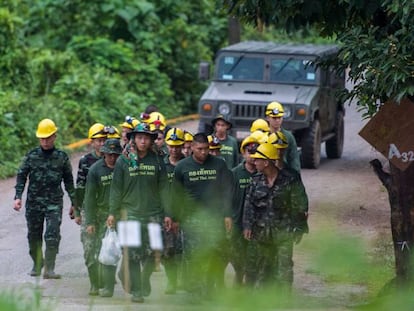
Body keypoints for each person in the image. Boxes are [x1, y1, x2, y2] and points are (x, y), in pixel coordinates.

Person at [107, 122, 168, 303]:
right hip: (129, 213)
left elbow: (164, 187)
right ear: (133, 139)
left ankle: (143, 278)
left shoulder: (157, 159)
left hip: (153, 212)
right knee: (132, 252)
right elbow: (116, 189)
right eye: (139, 137)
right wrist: (112, 212)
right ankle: (138, 290)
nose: (143, 141)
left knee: (154, 251)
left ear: (151, 140)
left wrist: (168, 213)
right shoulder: (124, 160)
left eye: (146, 138)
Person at [167, 133, 233, 300]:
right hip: (191, 219)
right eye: (199, 149)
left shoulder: (219, 164)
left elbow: (227, 191)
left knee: (213, 254)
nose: (203, 152)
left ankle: (209, 290)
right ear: (192, 148)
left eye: (206, 149)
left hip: (214, 217)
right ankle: (195, 291)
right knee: (193, 255)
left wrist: (227, 215)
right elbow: (175, 195)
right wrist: (173, 218)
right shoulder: (182, 167)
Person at [13, 118, 75, 279]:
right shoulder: (31, 156)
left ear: (54, 136)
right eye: (42, 138)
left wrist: (75, 203)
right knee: (34, 235)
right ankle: (37, 264)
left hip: (54, 203)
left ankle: (50, 268)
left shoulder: (61, 157)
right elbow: (21, 176)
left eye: (48, 137)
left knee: (52, 234)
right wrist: (18, 196)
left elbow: (69, 181)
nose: (45, 141)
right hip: (34, 202)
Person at [243, 143, 308, 291]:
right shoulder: (255, 181)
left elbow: (300, 205)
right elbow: (249, 204)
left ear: (266, 162)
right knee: (263, 269)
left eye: (258, 159)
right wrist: (247, 226)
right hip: (261, 234)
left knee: (284, 269)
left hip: (283, 233)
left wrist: (299, 228)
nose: (254, 161)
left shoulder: (289, 180)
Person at [83, 139, 122, 298]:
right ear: (104, 153)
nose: (112, 158)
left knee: (110, 250)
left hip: (117, 215)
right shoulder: (95, 170)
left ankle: (108, 286)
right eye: (109, 154)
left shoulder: (123, 169)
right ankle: (94, 283)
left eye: (115, 155)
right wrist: (90, 221)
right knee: (91, 251)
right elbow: (90, 197)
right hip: (98, 215)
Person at [75, 123, 107, 295]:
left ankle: (103, 278)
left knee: (105, 247)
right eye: (98, 141)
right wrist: (77, 210)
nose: (101, 144)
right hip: (89, 210)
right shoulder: (85, 161)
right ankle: (94, 283)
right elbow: (79, 186)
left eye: (104, 140)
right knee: (89, 249)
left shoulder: (113, 160)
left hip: (107, 210)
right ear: (92, 142)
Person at [230, 135, 258, 286]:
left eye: (256, 152)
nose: (253, 155)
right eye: (249, 151)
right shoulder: (235, 173)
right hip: (237, 222)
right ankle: (239, 274)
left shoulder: (262, 175)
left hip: (256, 224)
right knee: (236, 254)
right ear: (243, 153)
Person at [162, 127, 186, 295]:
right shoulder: (161, 165)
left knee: (184, 250)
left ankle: (184, 280)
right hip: (165, 215)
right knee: (168, 250)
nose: (174, 149)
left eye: (177, 146)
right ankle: (171, 281)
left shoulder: (189, 165)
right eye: (171, 146)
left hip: (185, 215)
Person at [265, 101, 301, 174]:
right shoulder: (263, 136)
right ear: (268, 118)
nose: (277, 120)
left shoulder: (288, 137)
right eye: (274, 118)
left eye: (279, 117)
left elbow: (293, 159)